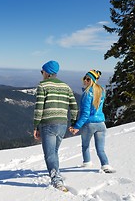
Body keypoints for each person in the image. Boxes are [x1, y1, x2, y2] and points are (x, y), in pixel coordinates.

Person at [33, 60, 78, 191]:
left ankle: (57, 180)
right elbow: (74, 106)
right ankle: (56, 172)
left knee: (49, 154)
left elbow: (38, 108)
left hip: (48, 124)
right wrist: (73, 122)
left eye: (42, 71)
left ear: (47, 73)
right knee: (54, 152)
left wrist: (35, 126)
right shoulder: (66, 86)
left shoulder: (42, 85)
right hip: (62, 124)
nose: (42, 74)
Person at [69, 69, 115, 173]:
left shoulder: (87, 94)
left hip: (89, 124)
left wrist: (76, 126)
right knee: (100, 148)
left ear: (93, 80)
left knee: (85, 145)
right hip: (101, 124)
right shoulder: (101, 91)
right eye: (84, 78)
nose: (85, 80)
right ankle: (105, 165)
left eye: (88, 79)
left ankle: (87, 163)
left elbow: (85, 114)